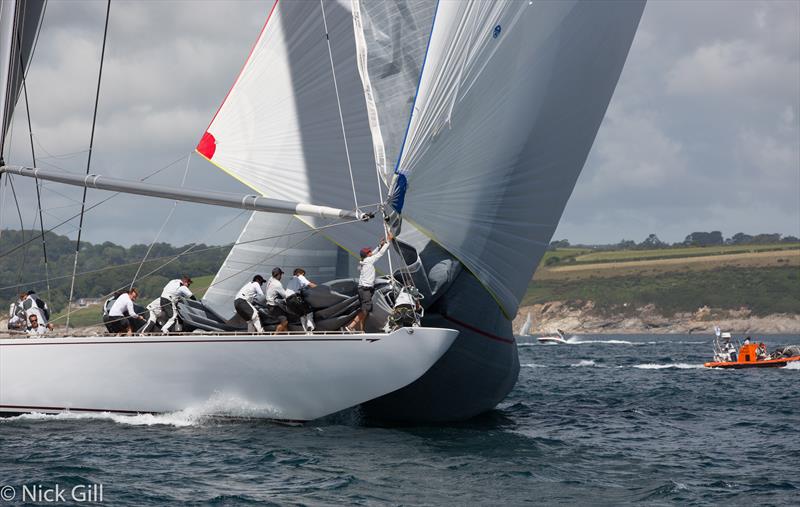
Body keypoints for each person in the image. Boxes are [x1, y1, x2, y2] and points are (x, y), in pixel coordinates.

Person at [346, 233, 393, 332]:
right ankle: (351, 326)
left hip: (364, 289)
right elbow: (379, 254)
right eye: (369, 251)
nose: (371, 252)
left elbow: (374, 253)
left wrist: (380, 245)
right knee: (366, 308)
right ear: (367, 254)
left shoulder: (366, 260)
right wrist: (388, 241)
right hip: (365, 289)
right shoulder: (368, 261)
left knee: (365, 309)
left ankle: (361, 329)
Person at [265, 267, 289, 333]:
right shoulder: (277, 284)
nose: (281, 276)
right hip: (273, 306)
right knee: (285, 322)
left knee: (284, 321)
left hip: (269, 304)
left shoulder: (270, 280)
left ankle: (287, 335)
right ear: (278, 275)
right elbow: (285, 295)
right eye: (281, 275)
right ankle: (275, 335)